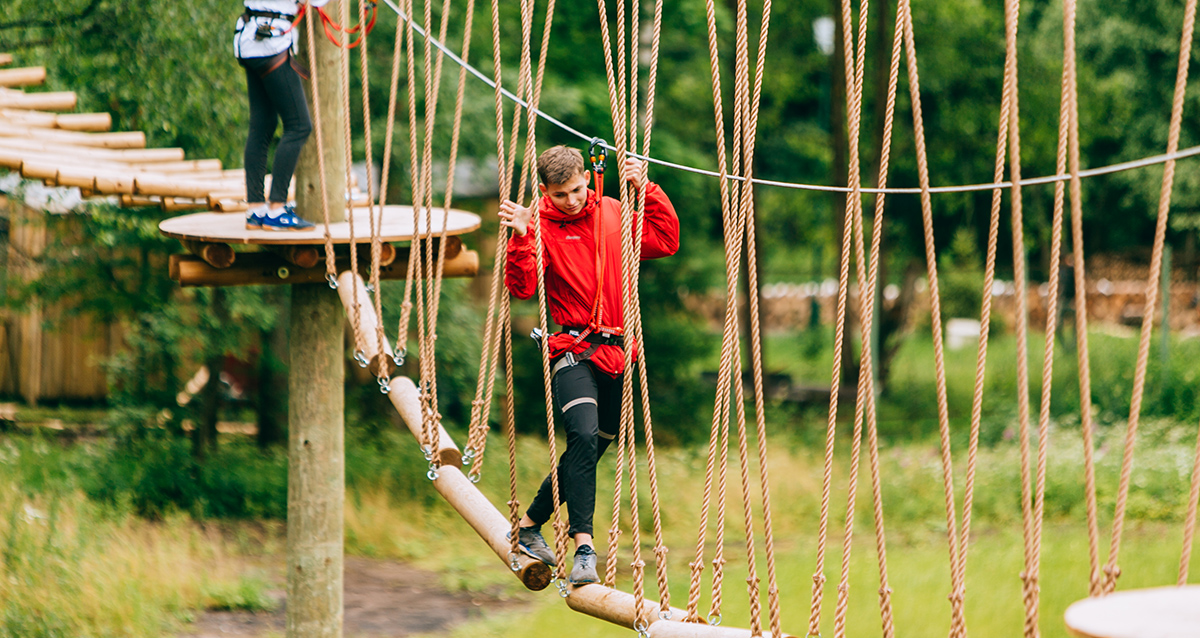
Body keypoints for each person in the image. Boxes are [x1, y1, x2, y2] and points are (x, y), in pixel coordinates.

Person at [499, 145, 680, 585]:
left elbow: (666, 241)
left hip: (618, 352)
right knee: (580, 434)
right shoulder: (538, 225)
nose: (573, 200)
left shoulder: (613, 213)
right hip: (572, 349)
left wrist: (647, 188)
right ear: (545, 192)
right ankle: (584, 548)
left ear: (588, 179)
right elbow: (522, 288)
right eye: (560, 195)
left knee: (593, 445)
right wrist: (521, 235)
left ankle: (528, 524)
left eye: (577, 190)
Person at [234, 0, 330, 231]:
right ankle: (276, 208)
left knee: (263, 124)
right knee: (299, 126)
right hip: (271, 43)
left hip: (250, 38)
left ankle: (256, 209)